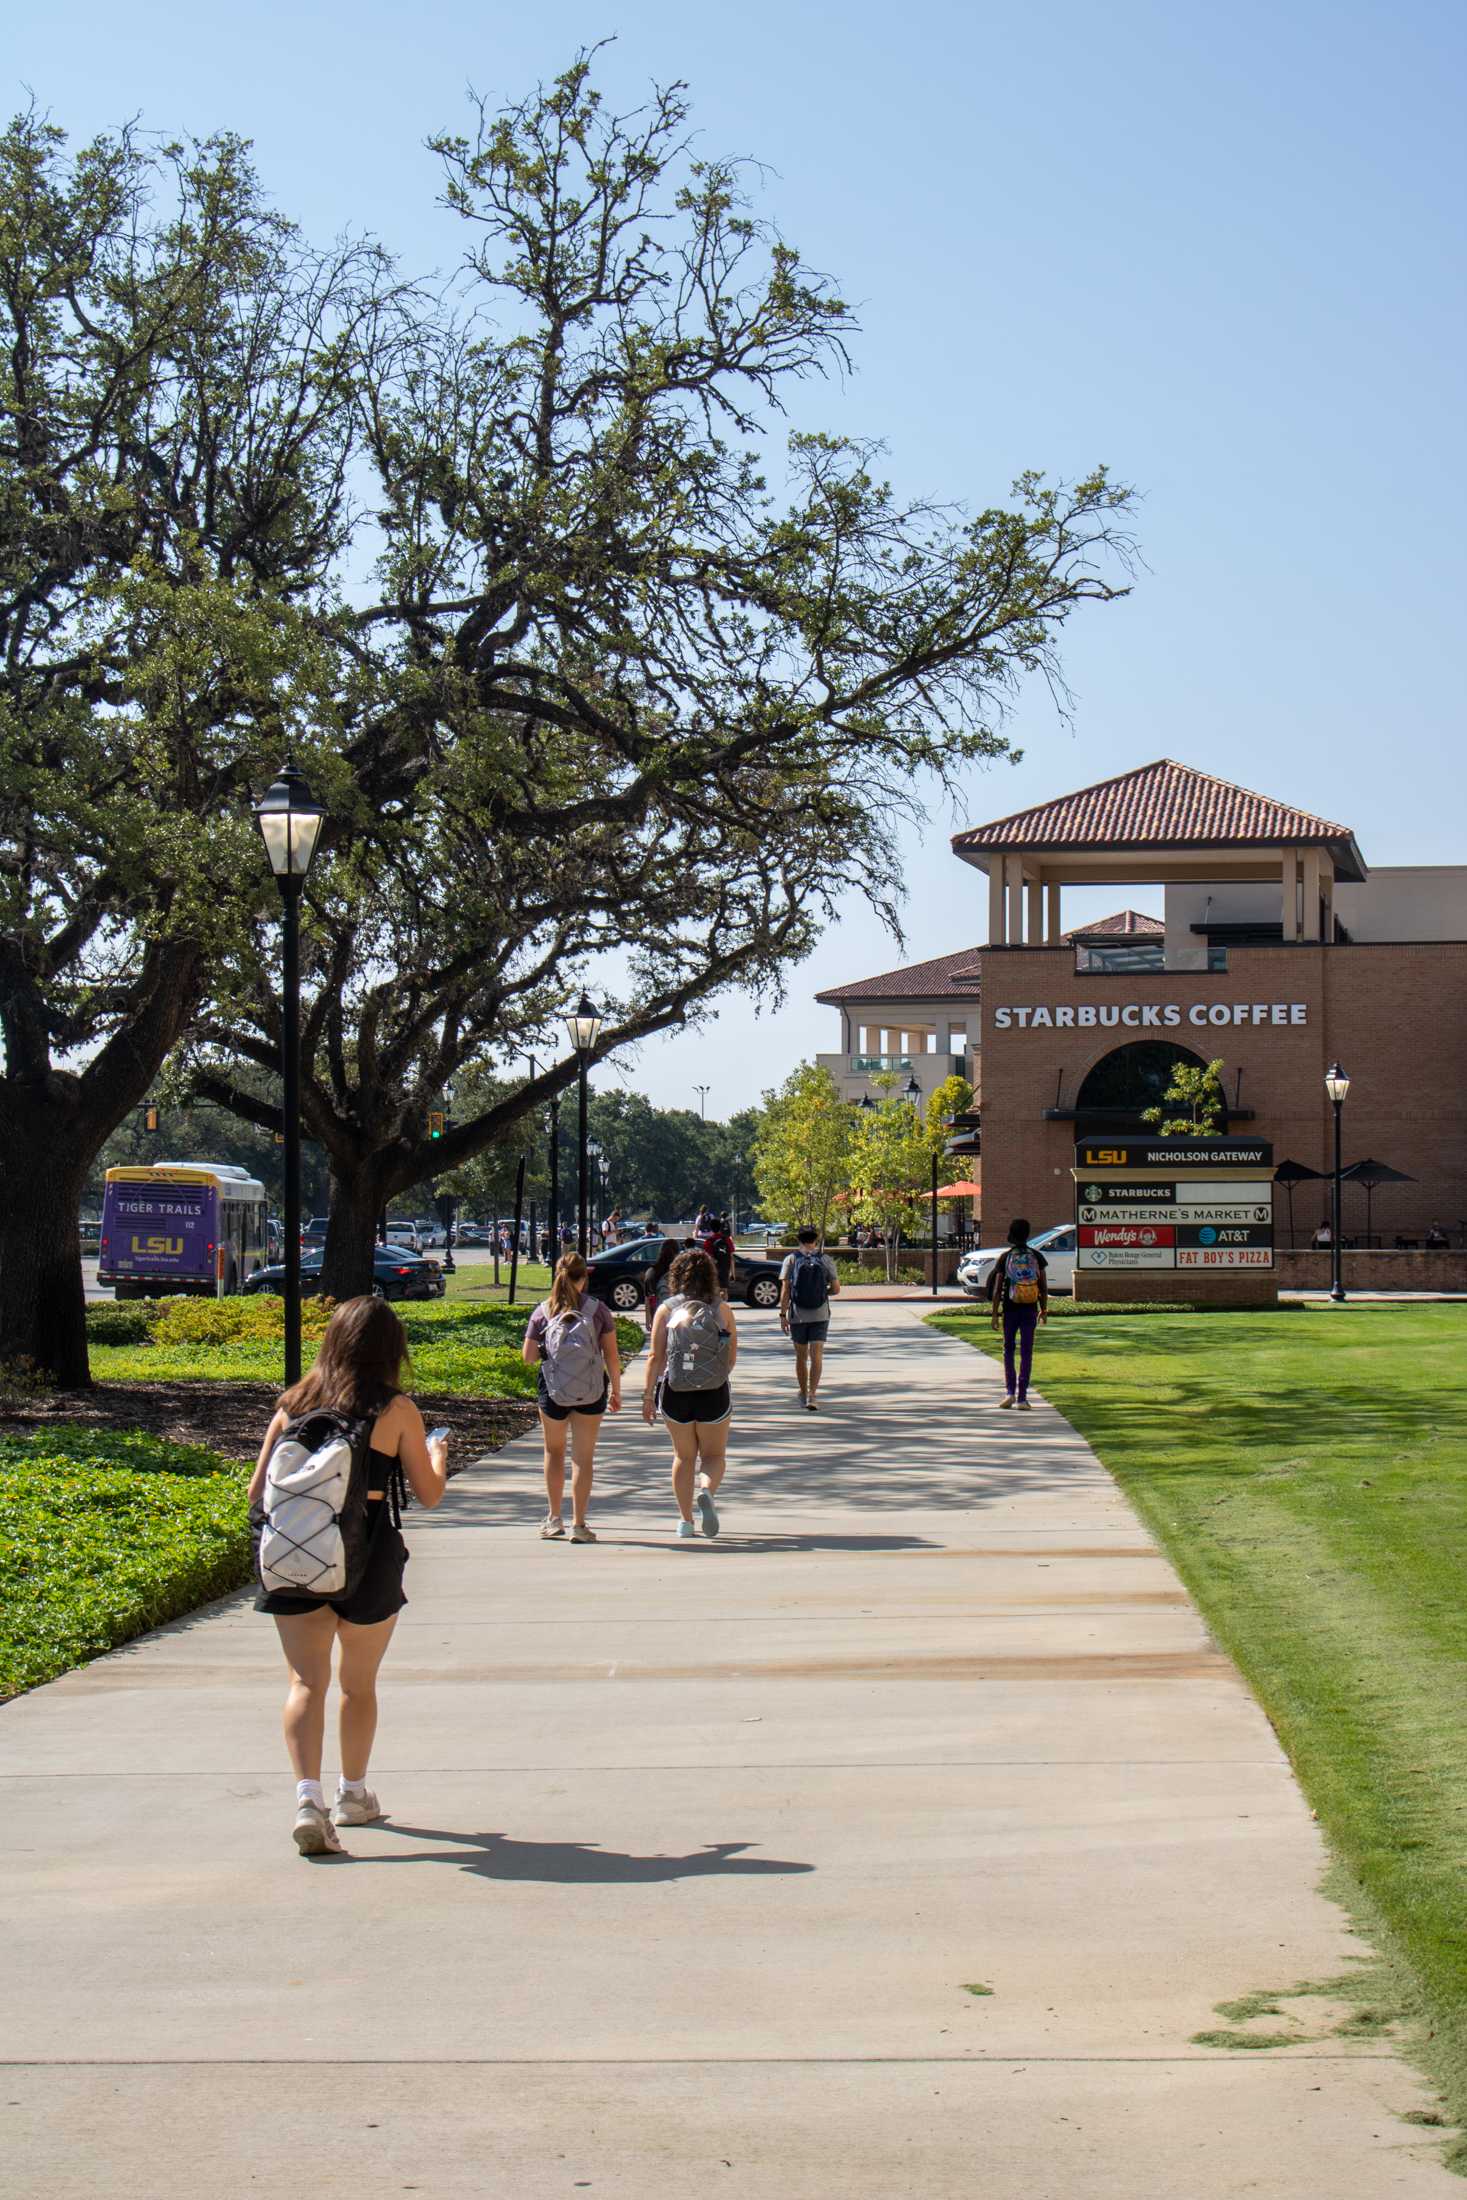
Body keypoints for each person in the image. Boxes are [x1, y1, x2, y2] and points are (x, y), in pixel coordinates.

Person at [249, 1296, 450, 1857]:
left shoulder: (293, 1404)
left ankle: (307, 1800)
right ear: (392, 1349)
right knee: (357, 1686)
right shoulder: (396, 1409)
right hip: (370, 1555)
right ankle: (352, 1795)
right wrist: (437, 1454)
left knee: (304, 1684)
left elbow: (256, 1492)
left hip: (296, 1559)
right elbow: (429, 1495)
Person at [521, 1250, 623, 1544]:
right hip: (592, 1392)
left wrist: (549, 1351)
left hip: (553, 1391)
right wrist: (616, 1390)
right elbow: (612, 1357)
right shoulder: (598, 1310)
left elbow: (527, 1356)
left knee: (553, 1453)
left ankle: (554, 1519)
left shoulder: (543, 1311)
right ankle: (579, 1524)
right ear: (584, 1277)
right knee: (583, 1458)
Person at [643, 1247, 737, 1540]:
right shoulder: (722, 1310)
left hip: (675, 1392)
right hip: (714, 1393)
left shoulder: (666, 1309)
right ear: (710, 1275)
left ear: (676, 1276)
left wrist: (648, 1396)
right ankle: (706, 1490)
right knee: (714, 1455)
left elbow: (655, 1357)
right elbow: (731, 1357)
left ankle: (685, 1522)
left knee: (683, 1457)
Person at [986, 1217, 1049, 1409]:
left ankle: (1009, 1392)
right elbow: (1043, 1286)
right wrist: (1044, 1309)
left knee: (1009, 1350)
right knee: (1026, 1352)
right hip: (1030, 1309)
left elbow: (997, 1289)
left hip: (1010, 1309)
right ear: (1028, 1234)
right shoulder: (1037, 1257)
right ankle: (1023, 1397)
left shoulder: (1005, 1258)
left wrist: (995, 1313)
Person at [780, 1225, 840, 1411]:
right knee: (817, 1356)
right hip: (820, 1313)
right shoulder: (825, 1259)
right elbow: (836, 1288)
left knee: (801, 1356)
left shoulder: (791, 1259)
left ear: (799, 1240)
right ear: (816, 1240)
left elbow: (786, 1291)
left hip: (798, 1315)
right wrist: (822, 1293)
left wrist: (783, 1315)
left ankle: (803, 1391)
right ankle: (813, 1395)